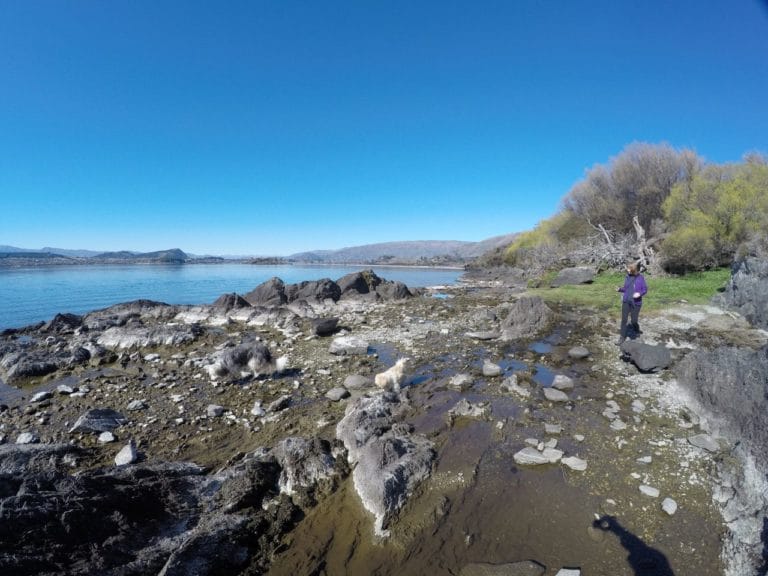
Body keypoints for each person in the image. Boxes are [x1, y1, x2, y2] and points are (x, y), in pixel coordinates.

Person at [617, 262, 647, 345]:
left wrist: (639, 294)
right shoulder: (627, 277)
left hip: (636, 303)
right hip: (626, 301)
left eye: (629, 268)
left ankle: (636, 329)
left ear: (633, 269)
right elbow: (626, 289)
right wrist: (620, 289)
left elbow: (644, 289)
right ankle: (622, 337)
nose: (627, 269)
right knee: (624, 320)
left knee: (634, 320)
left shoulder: (640, 278)